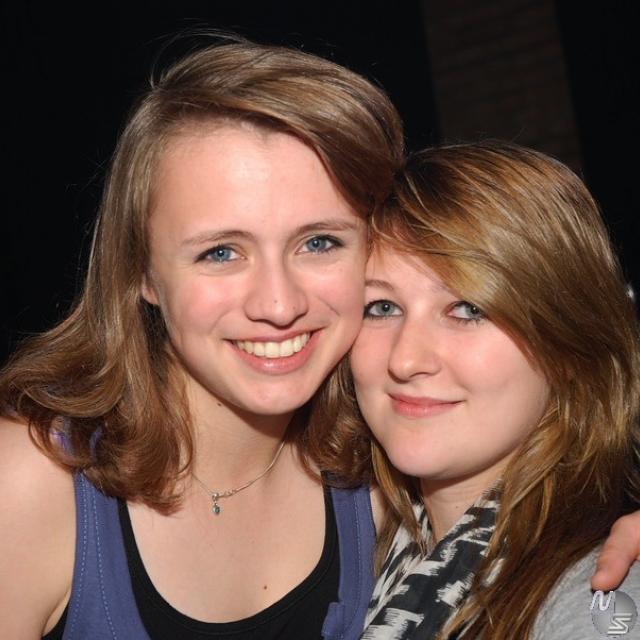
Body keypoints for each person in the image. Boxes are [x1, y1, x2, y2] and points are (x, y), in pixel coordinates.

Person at [0, 38, 403, 639]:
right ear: (142, 274)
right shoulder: (30, 483)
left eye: (319, 242)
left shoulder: (388, 477)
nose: (279, 305)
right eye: (220, 252)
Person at [323, 141, 640, 638]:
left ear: (567, 342)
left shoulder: (598, 592)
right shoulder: (362, 555)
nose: (406, 360)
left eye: (467, 310)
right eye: (382, 307)